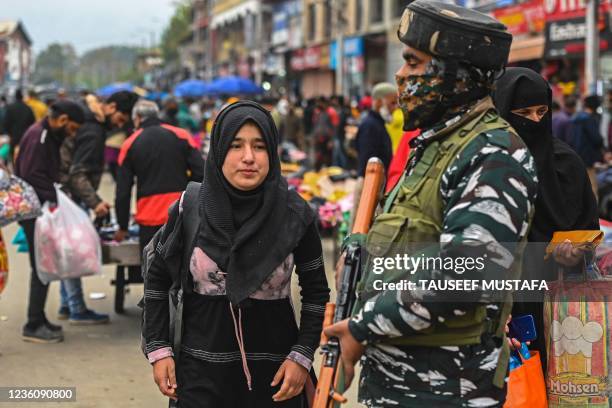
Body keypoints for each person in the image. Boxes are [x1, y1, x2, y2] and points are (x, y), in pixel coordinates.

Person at [324, 1, 538, 406]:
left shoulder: (493, 153)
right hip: (397, 385)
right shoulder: (434, 146)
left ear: (456, 77)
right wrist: (360, 256)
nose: (400, 75)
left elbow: (466, 274)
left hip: (446, 388)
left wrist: (363, 327)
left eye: (414, 62)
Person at [143, 100, 330, 407]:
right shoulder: (189, 207)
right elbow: (157, 279)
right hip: (199, 376)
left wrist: (302, 356)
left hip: (277, 379)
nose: (248, 158)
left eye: (259, 146)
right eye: (235, 145)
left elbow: (316, 292)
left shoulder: (295, 214)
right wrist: (159, 349)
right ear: (218, 151)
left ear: (272, 151)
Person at [493, 67, 599, 368]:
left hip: (561, 303)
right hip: (506, 303)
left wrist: (575, 251)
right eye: (523, 113)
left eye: (543, 111)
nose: (536, 121)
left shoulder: (567, 163)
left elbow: (588, 230)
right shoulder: (490, 167)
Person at [56, 92, 135, 324]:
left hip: (64, 193)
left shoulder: (89, 122)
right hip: (71, 195)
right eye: (120, 118)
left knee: (66, 251)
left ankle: (67, 304)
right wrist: (96, 202)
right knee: (71, 252)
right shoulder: (93, 131)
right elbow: (77, 174)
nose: (119, 125)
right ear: (110, 107)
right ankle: (77, 308)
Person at [15, 101, 85, 343]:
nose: (72, 133)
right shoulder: (40, 137)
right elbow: (32, 175)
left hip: (40, 210)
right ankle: (33, 323)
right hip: (35, 212)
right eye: (73, 128)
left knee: (43, 266)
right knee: (41, 268)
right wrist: (56, 198)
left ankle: (39, 317)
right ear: (63, 120)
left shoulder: (47, 135)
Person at [114, 100, 204, 253]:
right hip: (181, 215)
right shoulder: (182, 135)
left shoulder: (130, 143)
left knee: (152, 271)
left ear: (137, 118)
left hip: (149, 220)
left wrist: (123, 226)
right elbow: (201, 173)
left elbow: (123, 191)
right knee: (183, 271)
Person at [355, 82, 395, 176]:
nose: (395, 108)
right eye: (392, 103)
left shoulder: (378, 124)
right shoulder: (370, 126)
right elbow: (367, 164)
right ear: (379, 102)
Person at [571, 95, 604, 198]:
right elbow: (596, 139)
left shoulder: (576, 118)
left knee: (581, 186)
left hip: (577, 155)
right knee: (592, 187)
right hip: (588, 157)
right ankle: (594, 213)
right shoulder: (589, 120)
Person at [4, 89, 35, 161]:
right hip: (25, 138)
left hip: (14, 138)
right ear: (22, 97)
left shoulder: (10, 108)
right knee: (24, 158)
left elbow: (5, 123)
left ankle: (15, 171)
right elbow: (33, 123)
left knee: (13, 158)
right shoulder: (28, 108)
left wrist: (9, 134)